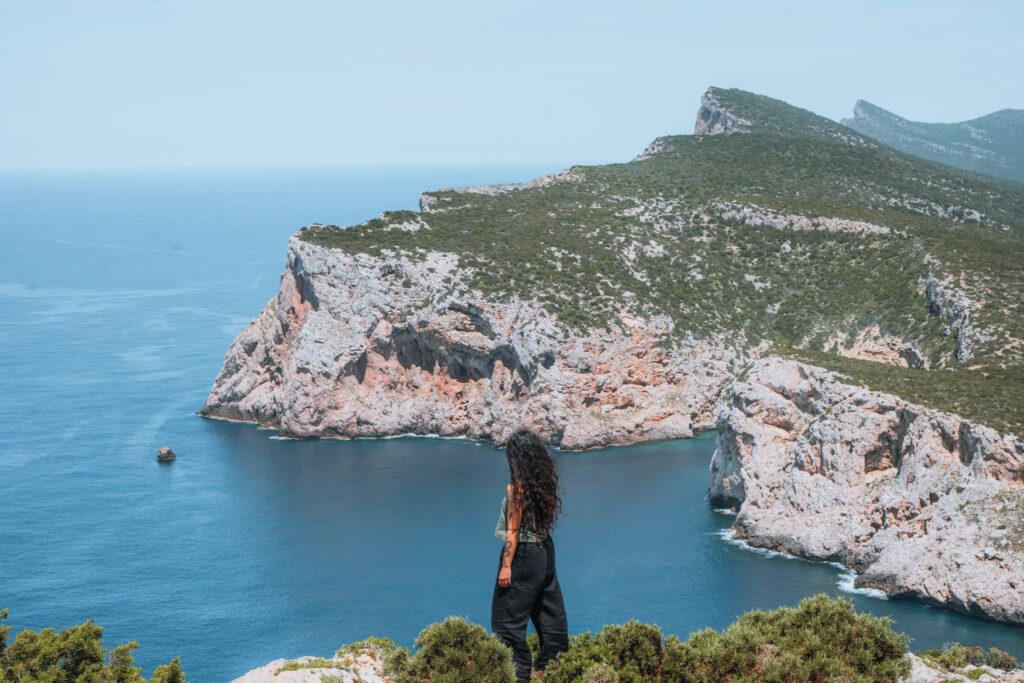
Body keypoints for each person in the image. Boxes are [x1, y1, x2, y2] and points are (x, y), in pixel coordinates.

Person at [491, 428, 569, 682]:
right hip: (545, 552)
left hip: (523, 557)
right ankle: (551, 669)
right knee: (550, 617)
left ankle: (519, 677)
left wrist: (506, 566)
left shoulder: (517, 489)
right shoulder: (543, 484)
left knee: (507, 624)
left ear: (516, 458)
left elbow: (513, 531)